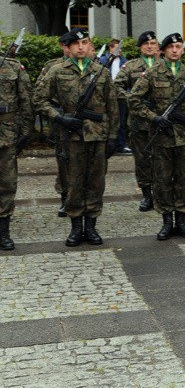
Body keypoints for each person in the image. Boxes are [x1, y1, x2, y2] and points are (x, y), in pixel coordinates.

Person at [34, 28, 119, 247]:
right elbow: (40, 100)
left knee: (95, 182)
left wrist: (112, 137)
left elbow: (112, 106)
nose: (81, 47)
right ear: (69, 47)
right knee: (73, 182)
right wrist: (60, 117)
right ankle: (75, 228)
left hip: (98, 135)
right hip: (70, 136)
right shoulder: (57, 71)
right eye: (77, 43)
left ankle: (91, 227)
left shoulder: (101, 72)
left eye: (85, 43)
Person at [128, 33, 185, 240]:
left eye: (179, 46)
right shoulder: (152, 73)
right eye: (171, 47)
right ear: (163, 50)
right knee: (162, 180)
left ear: (182, 50)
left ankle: (181, 220)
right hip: (161, 138)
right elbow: (134, 100)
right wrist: (154, 118)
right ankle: (166, 221)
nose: (175, 50)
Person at [114, 31, 160, 211]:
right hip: (139, 122)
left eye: (153, 43)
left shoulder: (164, 65)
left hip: (160, 121)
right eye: (146, 44)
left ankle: (160, 194)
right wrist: (133, 100)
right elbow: (116, 86)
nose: (150, 46)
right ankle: (147, 195)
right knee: (142, 160)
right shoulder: (131, 66)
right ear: (140, 47)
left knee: (161, 160)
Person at [0, 35, 34, 250]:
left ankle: (3, 231)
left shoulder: (12, 67)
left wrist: (25, 132)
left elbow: (26, 101)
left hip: (6, 134)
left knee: (6, 184)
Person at [39, 31, 72, 217]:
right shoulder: (52, 66)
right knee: (63, 160)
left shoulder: (93, 66)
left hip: (85, 123)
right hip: (61, 120)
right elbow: (39, 94)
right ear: (63, 46)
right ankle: (65, 197)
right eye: (68, 45)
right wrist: (55, 113)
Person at [100, 39, 131, 154]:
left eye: (121, 48)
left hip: (120, 95)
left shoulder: (125, 61)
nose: (120, 50)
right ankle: (106, 144)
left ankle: (121, 144)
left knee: (122, 120)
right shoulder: (103, 60)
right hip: (106, 96)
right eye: (117, 48)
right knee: (107, 119)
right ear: (111, 48)